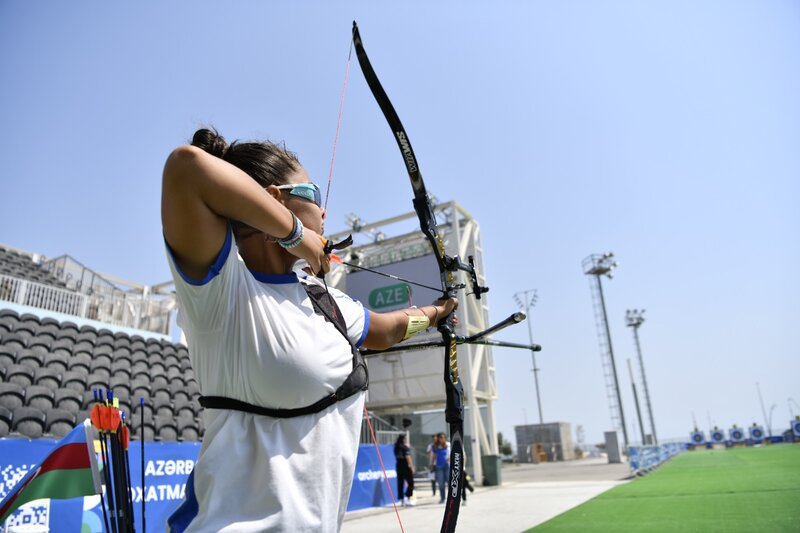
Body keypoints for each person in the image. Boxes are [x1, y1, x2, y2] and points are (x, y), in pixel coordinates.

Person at [162, 128, 457, 532]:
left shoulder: (324, 300)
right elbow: (186, 169)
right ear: (275, 197)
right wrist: (297, 237)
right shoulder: (222, 293)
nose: (324, 213)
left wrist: (440, 311)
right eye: (315, 195)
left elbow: (388, 330)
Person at [394, 434, 416, 507]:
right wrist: (411, 466)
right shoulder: (405, 447)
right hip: (406, 466)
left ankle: (402, 499)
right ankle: (409, 497)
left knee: (400, 483)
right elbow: (407, 457)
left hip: (399, 466)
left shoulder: (396, 447)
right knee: (411, 482)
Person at [432, 432, 451, 504]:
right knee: (441, 483)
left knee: (449, 482)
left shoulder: (449, 444)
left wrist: (449, 458)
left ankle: (451, 498)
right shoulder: (435, 446)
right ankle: (443, 498)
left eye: (442, 437)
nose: (441, 439)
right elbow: (434, 456)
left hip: (447, 466)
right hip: (439, 466)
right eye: (440, 438)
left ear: (445, 438)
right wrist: (432, 465)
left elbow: (451, 453)